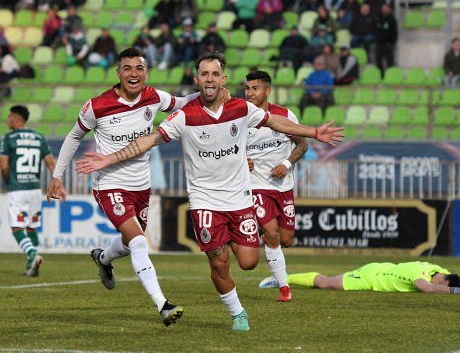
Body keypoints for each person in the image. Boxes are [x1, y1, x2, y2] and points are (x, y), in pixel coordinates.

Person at [72, 51, 343, 330]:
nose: (209, 79)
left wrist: (313, 132)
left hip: (239, 199)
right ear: (196, 79)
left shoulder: (240, 108)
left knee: (249, 262)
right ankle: (238, 313)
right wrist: (109, 158)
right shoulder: (183, 116)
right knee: (219, 262)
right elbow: (148, 140)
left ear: (223, 79)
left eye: (215, 74)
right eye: (204, 74)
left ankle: (109, 257)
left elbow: (276, 122)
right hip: (204, 202)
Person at [46, 47, 209, 327]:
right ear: (118, 72)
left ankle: (103, 258)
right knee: (138, 241)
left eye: (139, 68)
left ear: (146, 72)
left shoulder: (154, 97)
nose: (134, 74)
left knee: (128, 242)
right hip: (109, 183)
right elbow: (74, 137)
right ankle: (162, 304)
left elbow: (183, 102)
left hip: (141, 185)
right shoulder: (97, 105)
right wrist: (57, 175)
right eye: (128, 68)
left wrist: (210, 91)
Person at [244, 70, 309, 303]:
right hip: (257, 185)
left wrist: (286, 163)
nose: (250, 93)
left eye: (255, 88)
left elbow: (302, 144)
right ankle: (284, 287)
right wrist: (242, 161)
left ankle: (274, 260)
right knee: (271, 234)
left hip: (283, 185)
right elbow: (229, 148)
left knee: (286, 240)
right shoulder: (241, 116)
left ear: (267, 91)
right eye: (247, 88)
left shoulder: (284, 114)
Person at [0, 105, 64, 277]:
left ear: (15, 118)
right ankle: (30, 266)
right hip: (35, 190)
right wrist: (61, 186)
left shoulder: (8, 138)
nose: (7, 120)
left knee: (16, 227)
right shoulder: (38, 137)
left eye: (9, 116)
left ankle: (32, 254)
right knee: (31, 227)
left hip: (17, 189)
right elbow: (51, 163)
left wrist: (8, 181)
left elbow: (4, 165)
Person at [258, 261, 460, 295]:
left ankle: (283, 278)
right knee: (326, 283)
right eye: (445, 287)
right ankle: (282, 278)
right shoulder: (422, 275)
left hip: (381, 269)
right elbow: (426, 288)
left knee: (327, 283)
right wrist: (459, 292)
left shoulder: (440, 269)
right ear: (441, 280)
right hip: (371, 276)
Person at [374, 4, 398, 78]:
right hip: (379, 43)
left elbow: (395, 33)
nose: (384, 9)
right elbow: (375, 30)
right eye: (383, 8)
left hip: (388, 43)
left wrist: (392, 43)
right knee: (378, 60)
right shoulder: (378, 18)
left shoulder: (392, 19)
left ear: (389, 9)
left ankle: (390, 76)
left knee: (390, 61)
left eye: (386, 8)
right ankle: (381, 75)